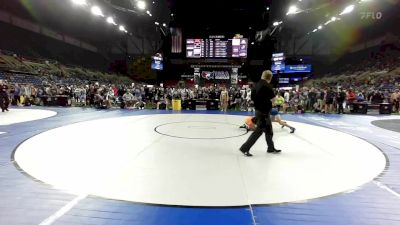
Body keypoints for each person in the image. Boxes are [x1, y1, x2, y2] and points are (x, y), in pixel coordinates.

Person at [239, 70, 281, 157]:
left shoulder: (255, 85)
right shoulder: (267, 86)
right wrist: (270, 103)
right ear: (270, 77)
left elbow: (252, 98)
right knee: (258, 132)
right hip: (264, 112)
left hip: (258, 110)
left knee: (269, 131)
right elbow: (274, 100)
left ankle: (271, 148)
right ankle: (244, 148)